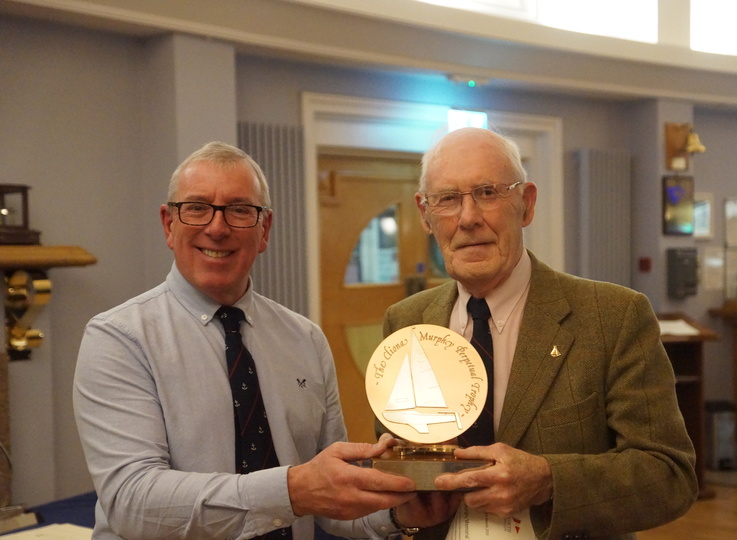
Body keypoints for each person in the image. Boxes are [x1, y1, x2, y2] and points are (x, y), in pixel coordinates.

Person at [73, 142, 456, 539]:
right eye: (197, 207)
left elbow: (329, 502)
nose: (217, 228)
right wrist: (292, 491)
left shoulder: (306, 340)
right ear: (169, 225)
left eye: (239, 210)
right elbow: (132, 502)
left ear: (265, 230)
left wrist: (397, 514)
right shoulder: (119, 339)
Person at [381, 127, 698, 539]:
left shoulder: (613, 317)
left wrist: (549, 480)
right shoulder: (406, 322)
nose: (468, 218)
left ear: (526, 204)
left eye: (487, 193)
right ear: (425, 214)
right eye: (447, 199)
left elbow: (670, 476)